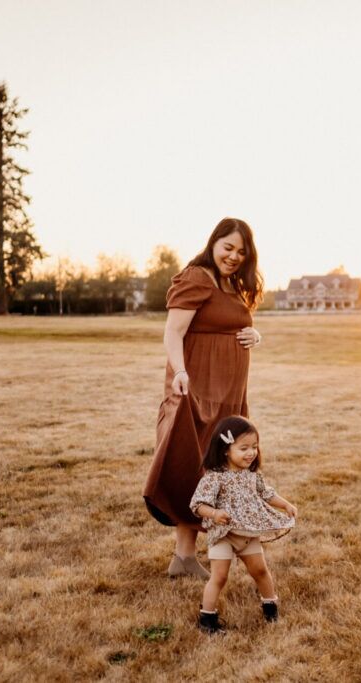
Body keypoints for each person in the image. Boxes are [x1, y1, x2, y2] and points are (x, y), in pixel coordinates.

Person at [143, 217, 265, 579]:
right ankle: (188, 555)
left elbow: (231, 323)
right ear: (213, 243)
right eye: (228, 247)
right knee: (192, 466)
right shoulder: (197, 277)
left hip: (228, 392)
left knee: (213, 470)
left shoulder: (230, 283)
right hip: (197, 389)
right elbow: (173, 332)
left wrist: (253, 335)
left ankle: (186, 558)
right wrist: (180, 372)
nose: (233, 256)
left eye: (241, 252)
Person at [189, 417, 297, 633]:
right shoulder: (215, 478)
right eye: (244, 448)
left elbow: (266, 493)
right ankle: (207, 619)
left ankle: (270, 607)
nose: (251, 453)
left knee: (260, 570)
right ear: (226, 450)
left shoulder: (251, 475)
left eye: (255, 447)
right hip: (223, 535)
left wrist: (285, 504)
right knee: (219, 577)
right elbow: (197, 504)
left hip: (247, 533)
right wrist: (214, 513)